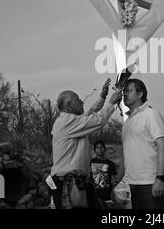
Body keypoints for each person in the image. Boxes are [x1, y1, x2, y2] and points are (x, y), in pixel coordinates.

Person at [50, 78, 122, 209]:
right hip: (69, 185)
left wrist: (102, 97)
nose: (82, 101)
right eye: (78, 99)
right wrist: (111, 103)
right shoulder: (66, 122)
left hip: (78, 182)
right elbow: (97, 120)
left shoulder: (71, 121)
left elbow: (89, 114)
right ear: (69, 105)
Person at [121, 79, 164, 209]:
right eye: (124, 91)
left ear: (140, 94)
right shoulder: (127, 122)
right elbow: (126, 153)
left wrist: (160, 179)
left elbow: (162, 147)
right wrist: (122, 181)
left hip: (150, 183)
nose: (125, 94)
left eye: (129, 91)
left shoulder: (151, 114)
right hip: (130, 184)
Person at [90, 140, 117, 208]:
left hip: (108, 193)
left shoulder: (110, 163)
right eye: (97, 148)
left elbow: (113, 179)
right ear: (95, 150)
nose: (100, 149)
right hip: (95, 193)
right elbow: (89, 176)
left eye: (101, 147)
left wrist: (113, 191)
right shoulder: (92, 162)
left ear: (104, 149)